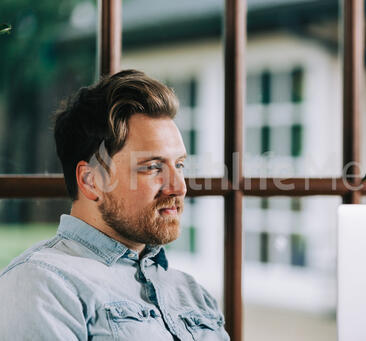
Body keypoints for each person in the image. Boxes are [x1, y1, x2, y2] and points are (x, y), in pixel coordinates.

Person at [0, 70, 230, 340]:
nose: (179, 186)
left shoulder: (194, 295)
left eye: (179, 165)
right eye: (153, 167)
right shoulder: (41, 284)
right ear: (91, 180)